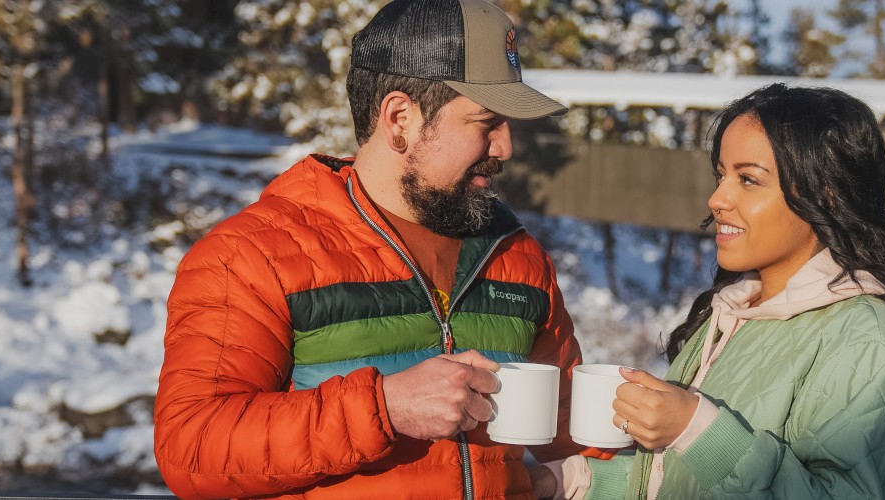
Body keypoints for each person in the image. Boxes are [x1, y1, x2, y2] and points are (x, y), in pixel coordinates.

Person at [153, 0, 603, 497]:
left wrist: (682, 430)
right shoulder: (255, 255)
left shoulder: (517, 257)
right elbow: (191, 449)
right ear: (399, 118)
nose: (505, 148)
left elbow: (574, 432)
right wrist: (384, 407)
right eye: (486, 122)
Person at [534, 84, 885, 499]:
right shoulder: (732, 316)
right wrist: (569, 482)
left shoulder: (868, 343)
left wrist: (696, 431)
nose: (717, 198)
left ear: (826, 196)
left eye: (748, 180)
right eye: (721, 175)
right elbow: (681, 481)